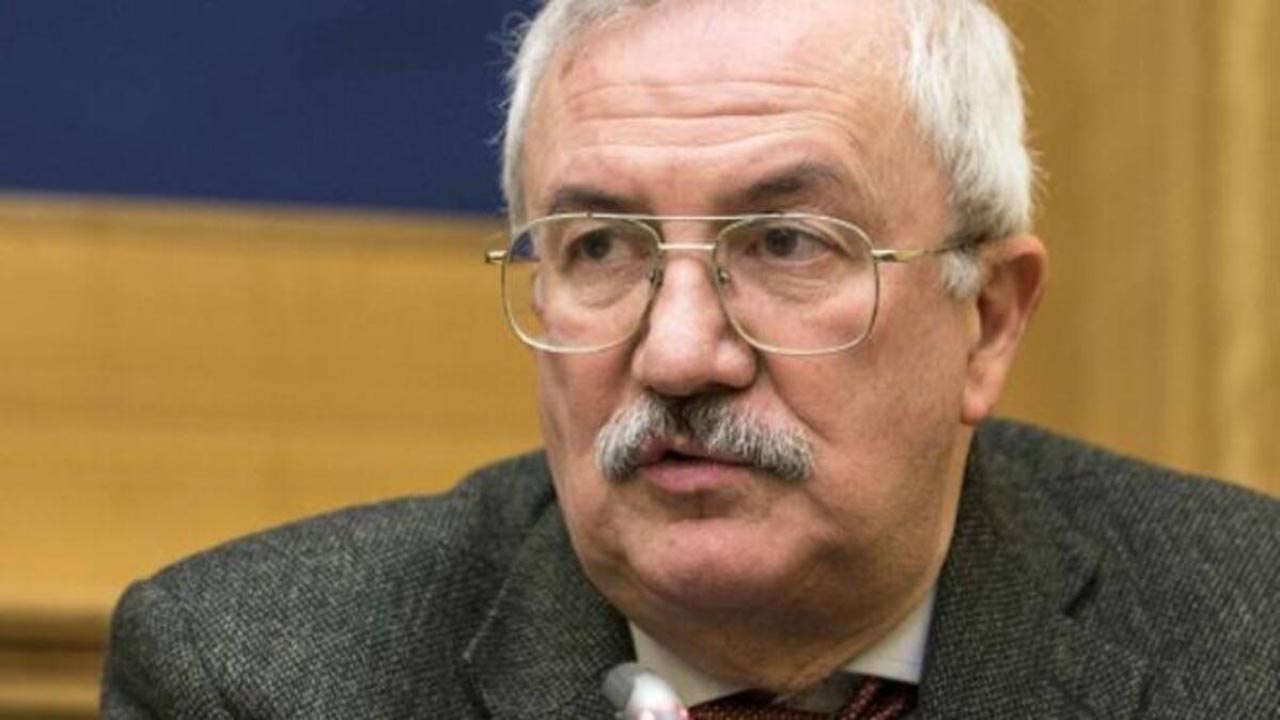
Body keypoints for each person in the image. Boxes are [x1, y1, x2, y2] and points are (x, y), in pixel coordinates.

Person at [102, 0, 1280, 717]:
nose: (675, 354)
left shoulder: (1249, 642)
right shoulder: (255, 680)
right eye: (600, 246)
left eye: (784, 243)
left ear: (987, 321)